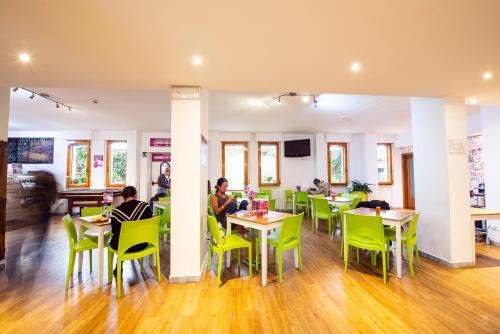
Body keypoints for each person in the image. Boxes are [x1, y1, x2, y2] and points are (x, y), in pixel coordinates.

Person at [110, 186, 153, 260]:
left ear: (123, 196)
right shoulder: (145, 206)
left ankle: (119, 262)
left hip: (122, 246)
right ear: (136, 194)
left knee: (118, 237)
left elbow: (114, 231)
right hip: (142, 243)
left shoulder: (116, 211)